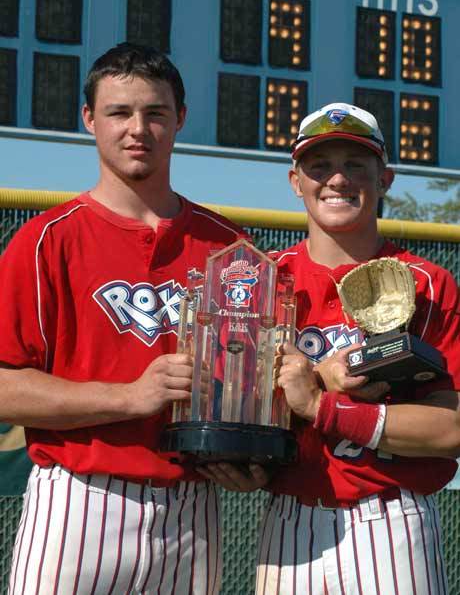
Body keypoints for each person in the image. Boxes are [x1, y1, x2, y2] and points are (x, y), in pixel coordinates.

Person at [0, 43, 247, 594]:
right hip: (81, 499)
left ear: (180, 119)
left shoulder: (229, 247)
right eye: (119, 112)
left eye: (155, 113)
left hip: (192, 506)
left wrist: (252, 456)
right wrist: (128, 397)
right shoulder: (45, 241)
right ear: (89, 119)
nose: (138, 129)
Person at [254, 102, 460, 594]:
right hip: (289, 517)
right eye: (319, 166)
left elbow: (452, 428)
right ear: (295, 181)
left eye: (355, 165)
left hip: (392, 518)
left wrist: (323, 407)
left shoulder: (428, 285)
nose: (337, 180)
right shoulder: (261, 279)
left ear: (384, 179)